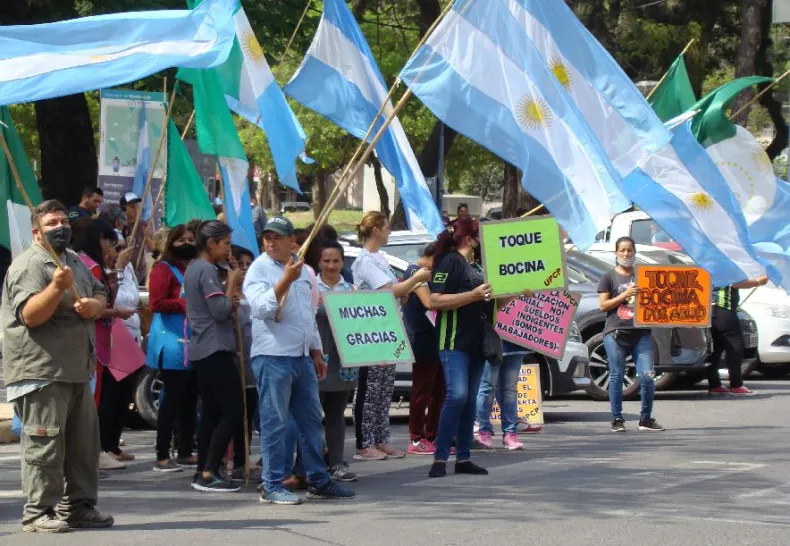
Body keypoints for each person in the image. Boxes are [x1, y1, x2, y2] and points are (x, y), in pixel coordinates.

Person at [2, 199, 114, 533]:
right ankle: (39, 512)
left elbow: (100, 296)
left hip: (78, 370)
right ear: (36, 230)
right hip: (42, 372)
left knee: (83, 447)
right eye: (51, 223)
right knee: (45, 444)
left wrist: (92, 305)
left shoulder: (75, 261)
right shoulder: (29, 265)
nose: (61, 227)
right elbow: (30, 316)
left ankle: (79, 506)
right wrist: (56, 288)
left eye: (64, 221)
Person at [244, 216, 355, 505]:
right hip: (273, 355)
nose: (270, 242)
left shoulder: (305, 271)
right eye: (267, 236)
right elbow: (261, 309)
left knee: (310, 422)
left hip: (301, 356)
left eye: (277, 237)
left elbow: (308, 316)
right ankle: (272, 484)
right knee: (275, 423)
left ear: (292, 241)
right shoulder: (258, 269)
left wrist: (316, 351)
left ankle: (318, 479)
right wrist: (284, 281)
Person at [350, 212, 431, 461]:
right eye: (386, 227)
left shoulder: (379, 258)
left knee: (385, 389)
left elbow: (393, 290)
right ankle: (364, 443)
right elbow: (386, 292)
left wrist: (403, 291)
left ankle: (381, 439)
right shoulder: (365, 260)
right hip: (371, 331)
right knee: (369, 389)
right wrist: (415, 280)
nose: (389, 232)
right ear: (375, 230)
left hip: (388, 329)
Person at [427, 218, 498, 478]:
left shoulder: (476, 265)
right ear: (469, 239)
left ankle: (464, 458)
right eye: (478, 236)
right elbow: (435, 300)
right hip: (453, 340)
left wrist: (516, 294)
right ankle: (440, 457)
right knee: (457, 396)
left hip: (476, 342)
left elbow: (490, 302)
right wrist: (474, 295)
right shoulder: (449, 261)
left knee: (468, 401)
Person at [70, 219, 137, 471]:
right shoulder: (90, 266)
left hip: (94, 342)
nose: (111, 247)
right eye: (108, 241)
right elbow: (99, 306)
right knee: (92, 402)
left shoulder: (81, 263)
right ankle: (92, 454)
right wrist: (115, 311)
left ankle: (92, 453)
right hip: (94, 342)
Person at [184, 221, 245, 492]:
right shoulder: (206, 269)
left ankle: (205, 470)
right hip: (213, 347)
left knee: (211, 412)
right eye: (226, 244)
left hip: (203, 348)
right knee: (233, 411)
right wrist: (232, 284)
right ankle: (209, 470)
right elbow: (220, 310)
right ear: (211, 244)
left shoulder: (196, 268)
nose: (228, 249)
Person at [146, 223, 200, 473]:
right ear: (171, 244)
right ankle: (161, 455)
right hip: (171, 342)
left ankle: (186, 450)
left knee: (189, 399)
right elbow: (156, 303)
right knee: (172, 400)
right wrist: (182, 304)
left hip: (192, 341)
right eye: (181, 240)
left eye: (191, 239)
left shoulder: (192, 268)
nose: (187, 244)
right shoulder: (162, 269)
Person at [597, 236, 664, 433]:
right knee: (617, 375)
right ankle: (617, 418)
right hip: (616, 332)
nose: (626, 254)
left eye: (629, 250)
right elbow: (603, 305)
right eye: (622, 250)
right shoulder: (608, 277)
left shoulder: (644, 276)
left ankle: (645, 419)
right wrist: (625, 295)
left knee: (648, 376)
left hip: (641, 332)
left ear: (634, 253)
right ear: (616, 253)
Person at [316, 240, 358, 481]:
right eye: (326, 261)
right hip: (316, 359)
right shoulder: (310, 288)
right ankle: (309, 464)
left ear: (343, 262)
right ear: (318, 263)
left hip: (343, 364)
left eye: (336, 261)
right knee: (311, 415)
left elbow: (364, 326)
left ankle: (336, 463)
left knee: (336, 415)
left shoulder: (352, 291)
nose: (331, 266)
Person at [403, 243, 445, 455]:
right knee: (422, 390)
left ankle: (432, 434)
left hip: (436, 337)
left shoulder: (429, 275)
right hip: (421, 339)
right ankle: (416, 436)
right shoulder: (414, 272)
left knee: (440, 390)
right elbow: (429, 302)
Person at [707, 276, 769, 395]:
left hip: (711, 310)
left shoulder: (708, 267)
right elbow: (736, 283)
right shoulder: (723, 269)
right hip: (724, 310)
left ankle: (714, 384)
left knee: (716, 349)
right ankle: (736, 385)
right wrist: (759, 281)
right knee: (735, 347)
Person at [228, 244, 259, 481]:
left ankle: (243, 459)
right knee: (233, 415)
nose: (245, 269)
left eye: (249, 264)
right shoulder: (227, 294)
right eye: (241, 264)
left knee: (249, 414)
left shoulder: (256, 293)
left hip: (253, 365)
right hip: (232, 363)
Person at [120, 192, 154, 284]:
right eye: (132, 206)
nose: (136, 209)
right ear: (123, 208)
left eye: (137, 206)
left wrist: (147, 238)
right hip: (123, 272)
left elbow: (153, 250)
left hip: (139, 273)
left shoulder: (142, 225)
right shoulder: (119, 224)